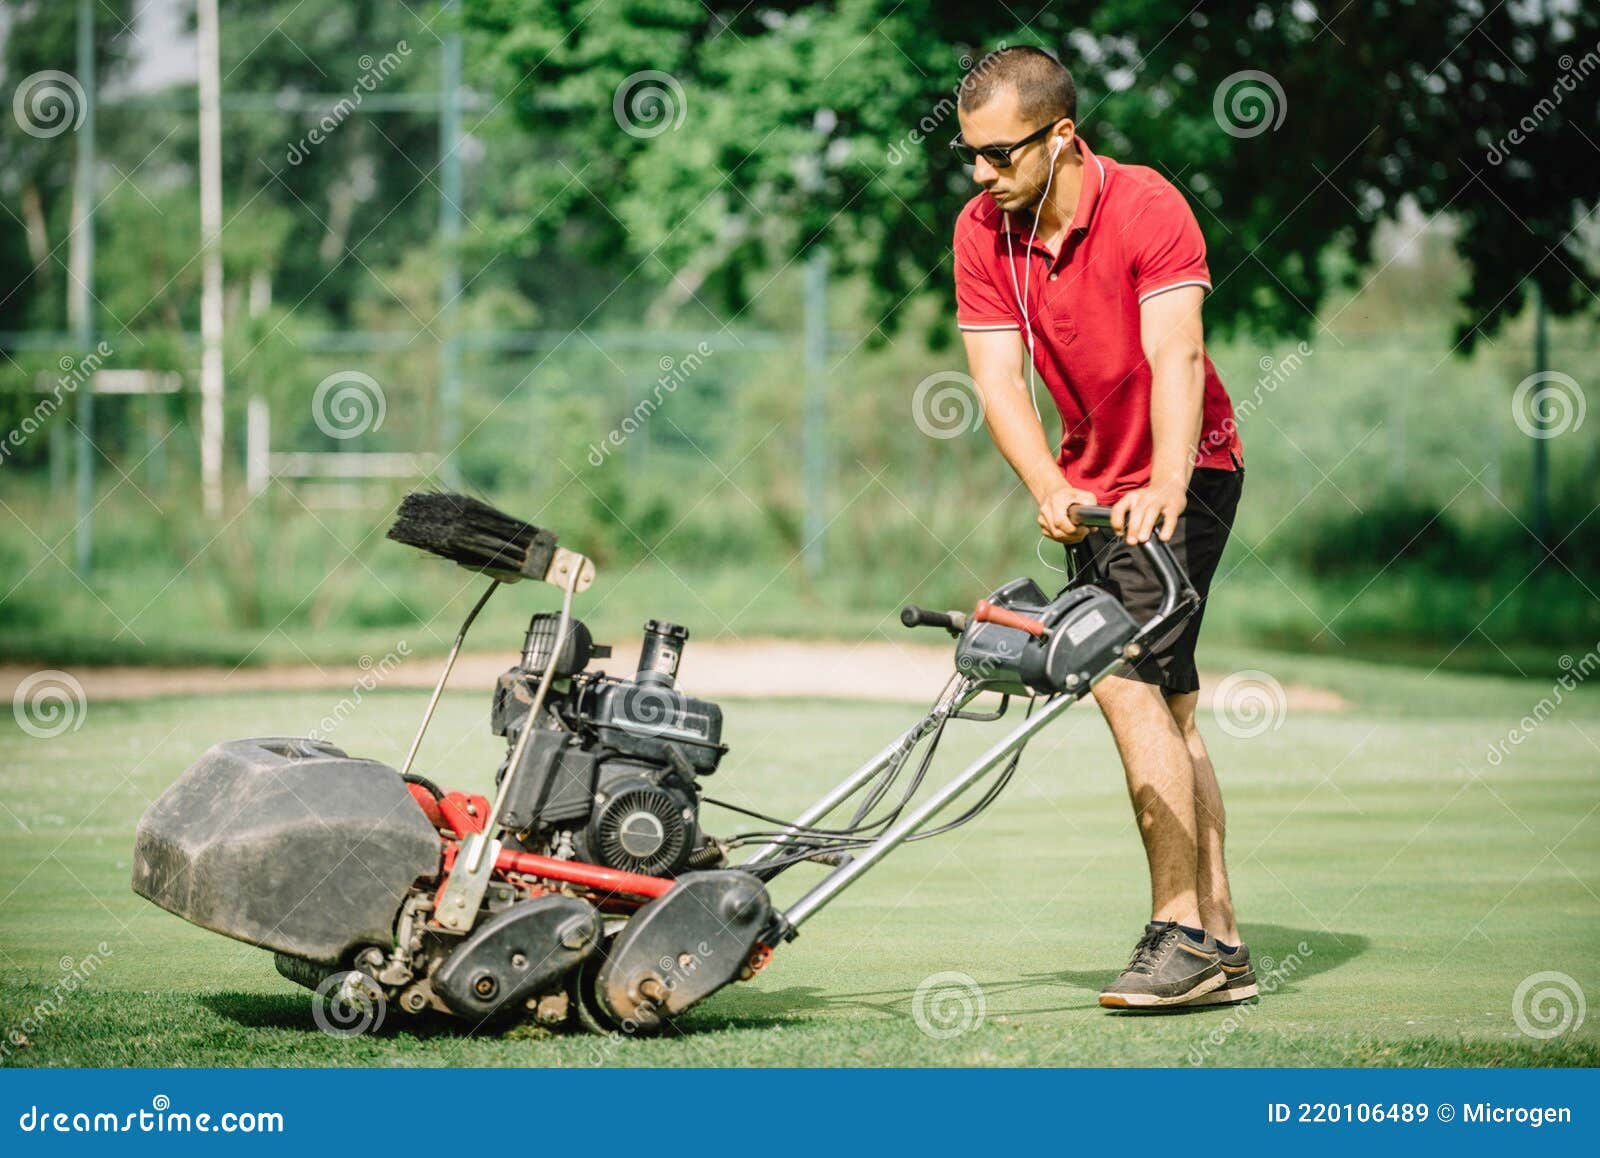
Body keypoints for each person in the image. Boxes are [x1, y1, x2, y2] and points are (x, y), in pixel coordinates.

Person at [951, 46, 1255, 1009]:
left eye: (999, 155)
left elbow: (1179, 353)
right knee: (1169, 710)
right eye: (970, 155)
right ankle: (1223, 942)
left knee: (1124, 682)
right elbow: (998, 380)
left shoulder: (1148, 207)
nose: (980, 174)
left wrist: (1165, 479)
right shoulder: (982, 230)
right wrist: (1046, 482)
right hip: (1091, 490)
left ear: (1062, 137)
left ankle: (1177, 930)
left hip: (1189, 471)